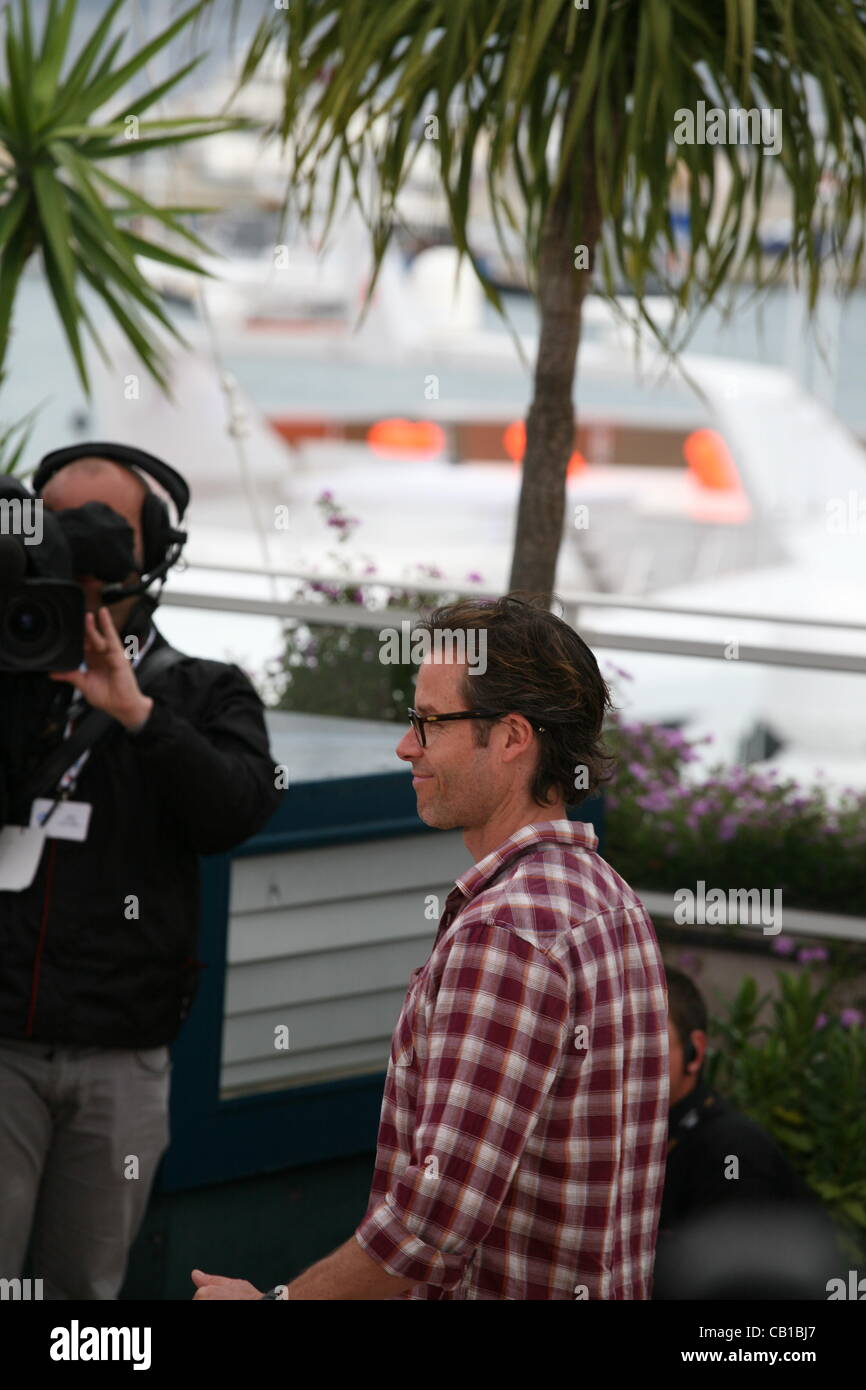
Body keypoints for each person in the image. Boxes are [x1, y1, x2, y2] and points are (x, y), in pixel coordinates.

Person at [192, 594, 670, 1300]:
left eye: (429, 721)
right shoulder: (609, 902)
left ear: (512, 737)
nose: (405, 745)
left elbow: (432, 1226)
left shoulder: (508, 934)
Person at [0, 446, 283, 1300]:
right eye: (55, 526)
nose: (75, 549)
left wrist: (139, 715)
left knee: (83, 1295)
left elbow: (237, 809)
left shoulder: (202, 691)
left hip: (120, 1055)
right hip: (1, 1043)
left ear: (152, 547)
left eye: (101, 530)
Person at [653, 967, 830, 1297]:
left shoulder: (732, 1150)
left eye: (649, 1041)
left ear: (695, 1052)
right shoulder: (639, 1137)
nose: (626, 1057)